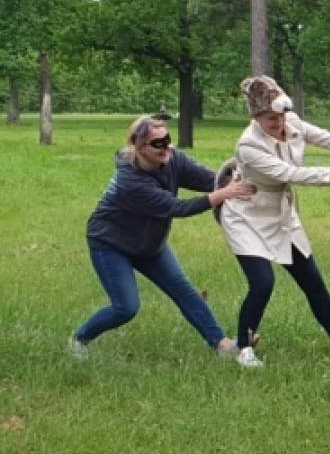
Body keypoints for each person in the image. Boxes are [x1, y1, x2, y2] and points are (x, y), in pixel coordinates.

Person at [219, 75, 330, 368]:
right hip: (247, 216)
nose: (279, 123)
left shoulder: (291, 121)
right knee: (262, 282)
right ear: (256, 116)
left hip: (281, 214)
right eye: (270, 119)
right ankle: (244, 347)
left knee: (312, 280)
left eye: (280, 116)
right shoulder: (248, 145)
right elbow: (289, 174)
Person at [70, 115, 253, 359]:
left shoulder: (172, 158)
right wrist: (224, 193)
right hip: (111, 244)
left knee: (184, 291)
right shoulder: (130, 181)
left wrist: (240, 182)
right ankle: (79, 339)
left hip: (149, 244)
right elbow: (176, 207)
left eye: (167, 139)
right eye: (157, 143)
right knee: (126, 307)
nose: (166, 146)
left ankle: (222, 346)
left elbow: (209, 180)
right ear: (138, 146)